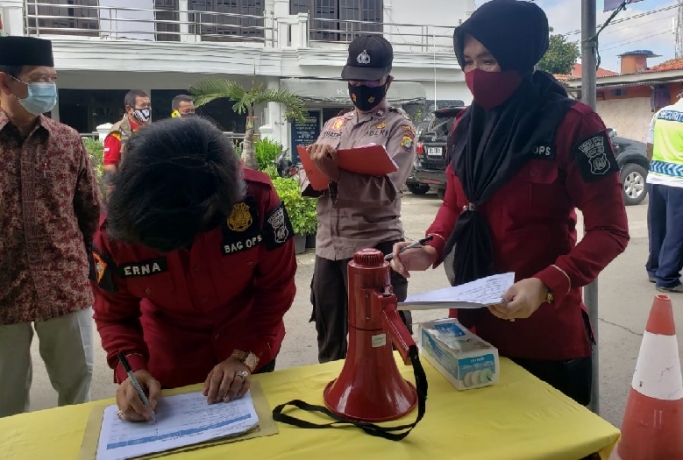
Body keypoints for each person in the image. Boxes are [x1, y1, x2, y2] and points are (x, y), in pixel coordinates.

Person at [390, 0, 629, 406]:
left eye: (489, 60)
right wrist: (429, 247)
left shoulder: (572, 124)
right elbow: (454, 204)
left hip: (544, 334)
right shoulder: (465, 128)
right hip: (470, 332)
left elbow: (611, 231)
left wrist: (547, 283)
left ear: (519, 55)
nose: (475, 75)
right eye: (467, 61)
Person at [91, 116, 297, 422]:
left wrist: (244, 356)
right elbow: (114, 315)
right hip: (168, 362)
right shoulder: (117, 233)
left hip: (249, 346)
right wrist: (132, 371)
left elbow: (276, 289)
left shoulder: (256, 201)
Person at [0, 36, 101, 417]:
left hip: (63, 285)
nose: (48, 87)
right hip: (1, 290)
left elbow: (89, 209)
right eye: (38, 77)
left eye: (52, 77)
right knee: (5, 402)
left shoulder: (68, 141)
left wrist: (83, 266)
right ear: (5, 81)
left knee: (77, 391)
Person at [300, 34, 417, 363]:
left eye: (370, 80)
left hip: (374, 248)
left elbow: (387, 190)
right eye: (355, 79)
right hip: (328, 248)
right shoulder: (334, 124)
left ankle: (393, 401)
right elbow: (307, 174)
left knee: (383, 340)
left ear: (387, 81)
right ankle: (335, 398)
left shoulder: (398, 128)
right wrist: (314, 171)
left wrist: (336, 173)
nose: (361, 87)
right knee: (329, 338)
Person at [645, 94, 683, 293]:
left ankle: (654, 269)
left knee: (657, 227)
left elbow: (649, 147)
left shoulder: (660, 113)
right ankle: (667, 278)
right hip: (679, 182)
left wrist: (657, 169)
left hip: (656, 178)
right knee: (677, 232)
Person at [103, 90, 151, 176]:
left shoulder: (151, 130)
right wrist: (112, 188)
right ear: (129, 109)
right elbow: (110, 165)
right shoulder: (117, 132)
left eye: (148, 105)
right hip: (128, 185)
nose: (147, 108)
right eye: (143, 105)